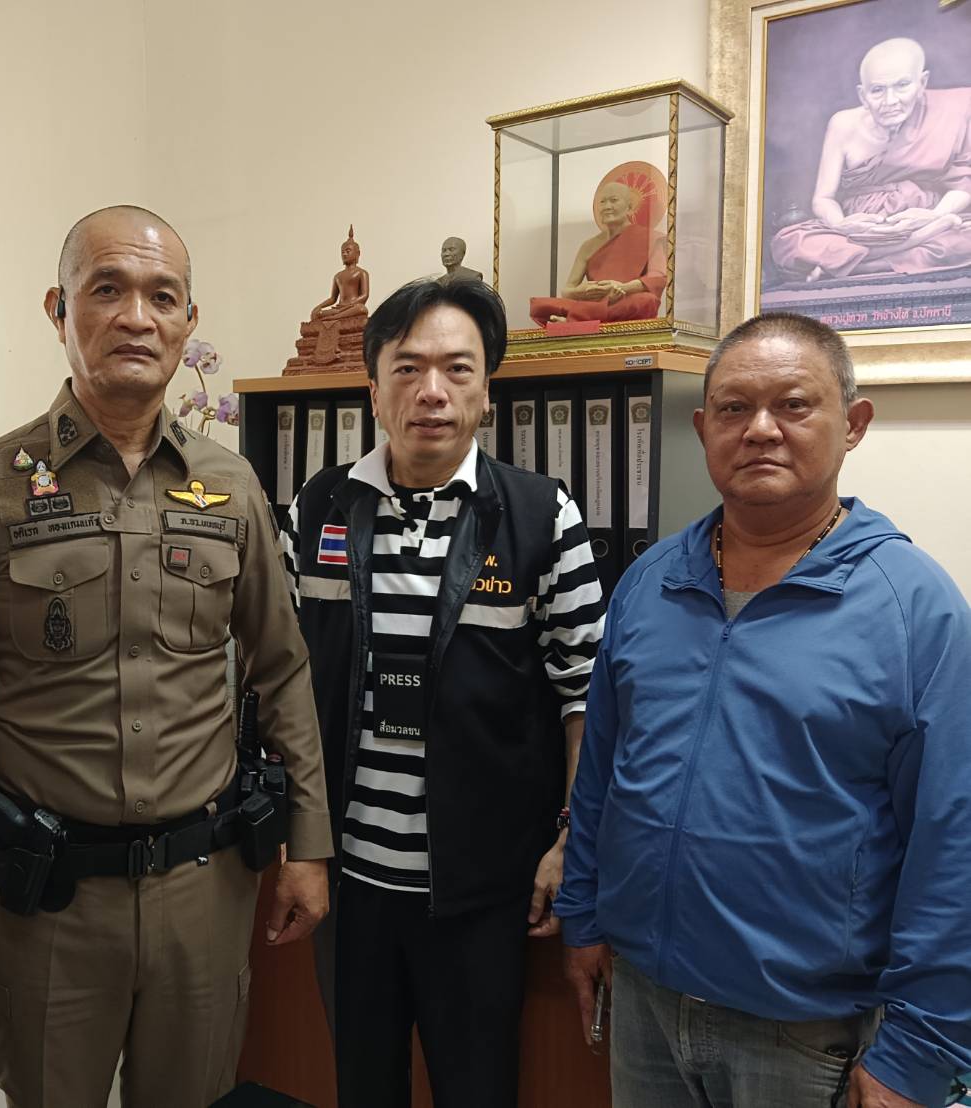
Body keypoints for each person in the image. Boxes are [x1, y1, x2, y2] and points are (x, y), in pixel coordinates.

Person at [0, 204, 331, 1108]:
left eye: (162, 296)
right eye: (106, 290)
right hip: (49, 900)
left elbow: (280, 668)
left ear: (188, 322)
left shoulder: (231, 485)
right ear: (59, 310)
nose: (136, 317)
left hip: (202, 894)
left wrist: (308, 845)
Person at [556, 312, 971, 1108]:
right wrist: (582, 915)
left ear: (853, 424)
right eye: (734, 408)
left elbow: (951, 843)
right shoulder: (650, 581)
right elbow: (602, 770)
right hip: (643, 997)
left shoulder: (914, 609)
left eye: (792, 405)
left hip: (805, 1032)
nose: (759, 429)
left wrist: (920, 1053)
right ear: (701, 428)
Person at [283, 276, 606, 1106]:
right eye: (407, 368)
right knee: (363, 1087)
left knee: (476, 1089)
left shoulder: (540, 516)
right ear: (373, 388)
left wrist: (568, 841)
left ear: (486, 391)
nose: (431, 391)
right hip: (349, 883)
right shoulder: (317, 508)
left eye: (457, 369)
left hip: (480, 890)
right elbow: (281, 681)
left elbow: (586, 697)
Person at [771, 38, 971, 283]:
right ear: (862, 95)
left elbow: (964, 185)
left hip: (923, 216)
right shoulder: (843, 125)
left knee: (963, 241)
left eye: (902, 85)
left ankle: (848, 265)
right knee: (788, 242)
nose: (890, 101)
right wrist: (842, 224)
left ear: (922, 83)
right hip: (862, 230)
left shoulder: (953, 111)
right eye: (877, 90)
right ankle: (909, 245)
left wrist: (935, 215)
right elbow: (823, 198)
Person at [528, 179, 666, 327]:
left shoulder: (651, 238)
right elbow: (567, 291)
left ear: (630, 207)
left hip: (625, 301)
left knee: (646, 301)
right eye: (602, 202)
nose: (607, 206)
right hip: (594, 303)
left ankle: (575, 321)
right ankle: (583, 319)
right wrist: (582, 292)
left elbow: (657, 278)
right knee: (539, 305)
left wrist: (622, 288)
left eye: (614, 200)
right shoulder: (588, 246)